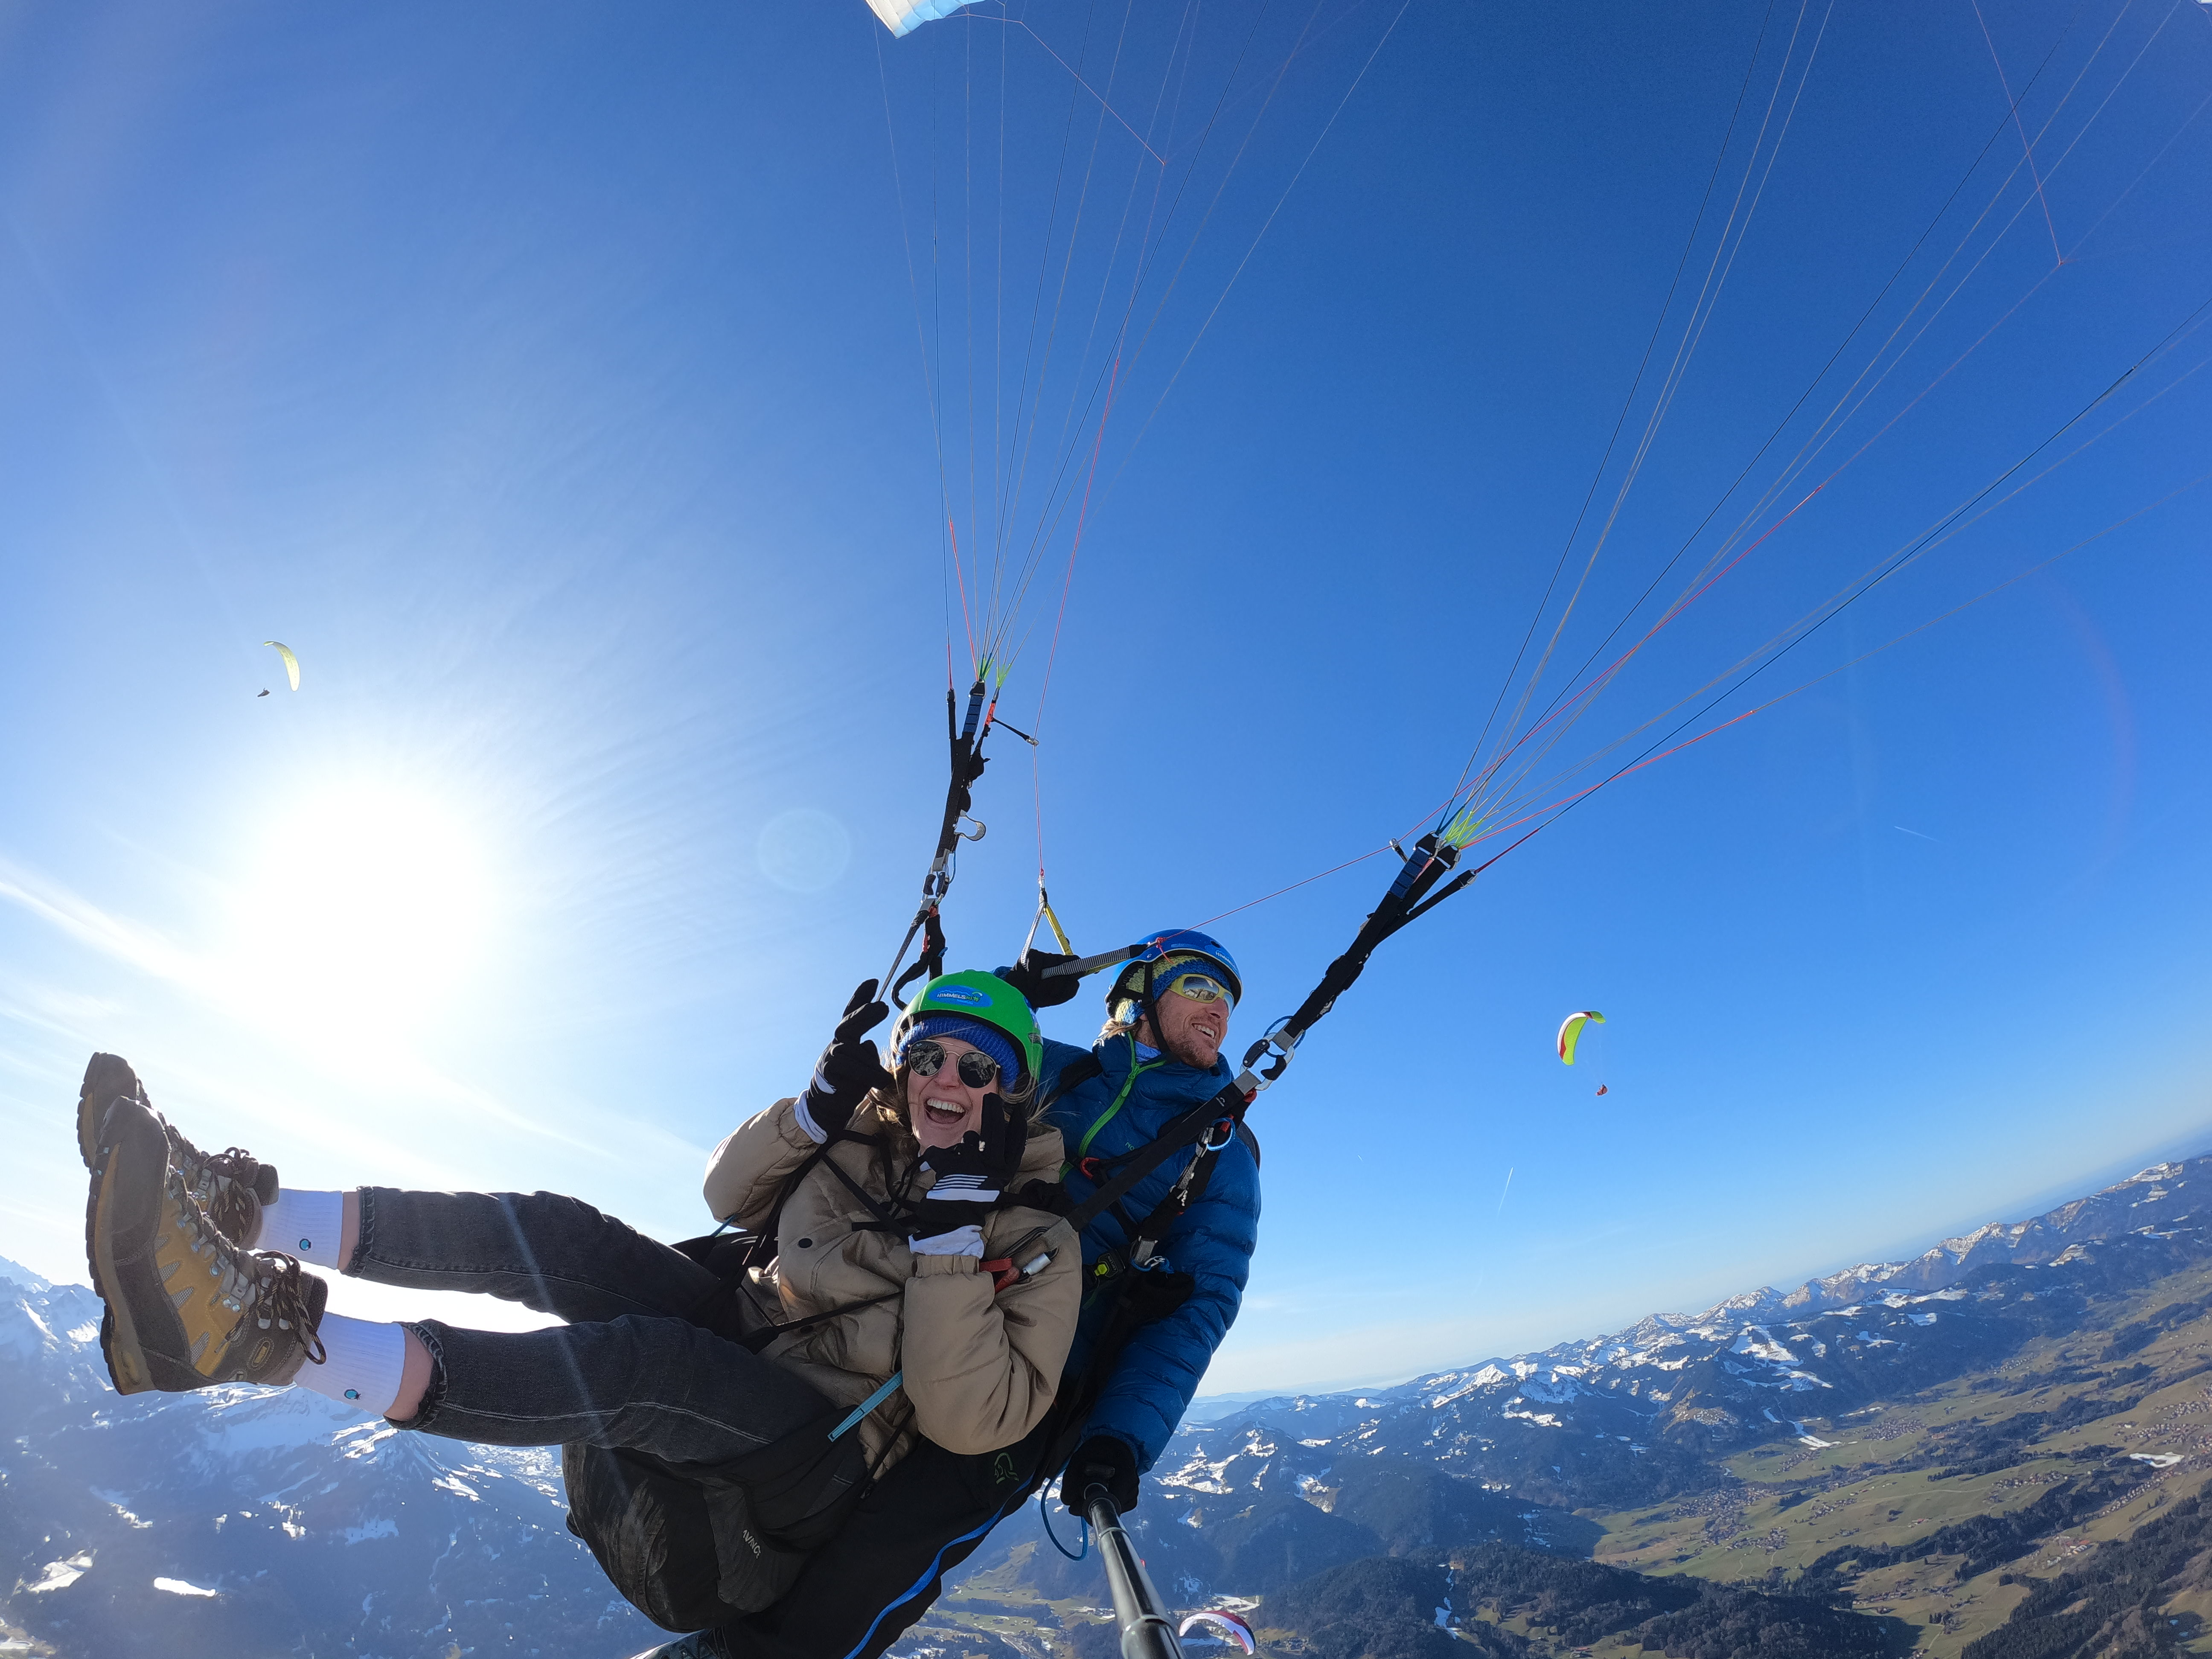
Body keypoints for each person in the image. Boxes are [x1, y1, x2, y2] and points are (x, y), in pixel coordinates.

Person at [76, 970, 1079, 1636]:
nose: (946, 1079)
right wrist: (815, 1109)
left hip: (817, 1452)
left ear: (1017, 1092)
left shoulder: (1038, 1240)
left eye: (979, 1067)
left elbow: (967, 1418)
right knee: (556, 1233)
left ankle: (259, 1337)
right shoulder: (866, 1134)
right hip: (750, 1324)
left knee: (645, 1364)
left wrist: (955, 1227)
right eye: (928, 1056)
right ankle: (248, 1216)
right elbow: (727, 1199)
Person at [1016, 929, 1261, 1519]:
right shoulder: (1058, 1072)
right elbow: (931, 1069)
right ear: (1143, 996)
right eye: (1200, 986)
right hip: (930, 1311)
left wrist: (1117, 1437)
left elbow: (1201, 1302)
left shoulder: (1220, 1148)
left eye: (1227, 1000)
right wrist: (1009, 997)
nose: (1218, 1009)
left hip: (1041, 1389)